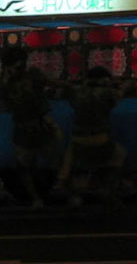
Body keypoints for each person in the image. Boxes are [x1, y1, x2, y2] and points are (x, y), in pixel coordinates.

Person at [0, 47, 62, 209]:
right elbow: (0, 106)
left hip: (38, 124)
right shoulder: (5, 83)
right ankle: (37, 196)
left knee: (52, 161)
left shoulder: (31, 76)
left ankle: (41, 194)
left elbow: (50, 83)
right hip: (26, 126)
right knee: (26, 165)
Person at [55, 66, 125, 208]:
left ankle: (66, 185)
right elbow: (118, 96)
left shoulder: (76, 92)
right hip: (102, 141)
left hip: (78, 142)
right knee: (120, 156)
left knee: (70, 150)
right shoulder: (108, 93)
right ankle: (108, 190)